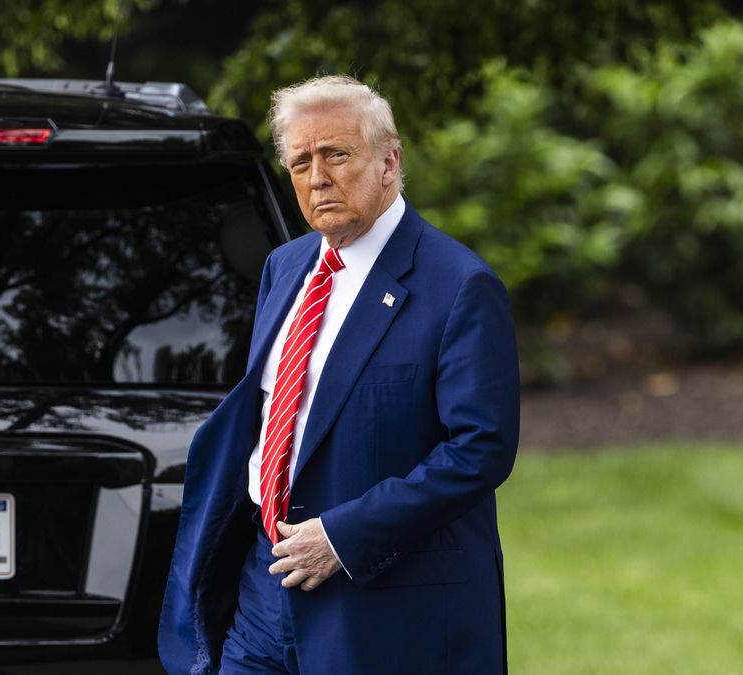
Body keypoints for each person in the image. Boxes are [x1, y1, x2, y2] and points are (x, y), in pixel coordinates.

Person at [159, 74, 519, 674]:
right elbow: (275, 412)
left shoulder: (459, 285)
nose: (318, 177)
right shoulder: (286, 266)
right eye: (300, 162)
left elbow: (481, 449)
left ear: (388, 161)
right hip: (262, 587)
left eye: (337, 154)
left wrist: (343, 538)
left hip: (379, 602)